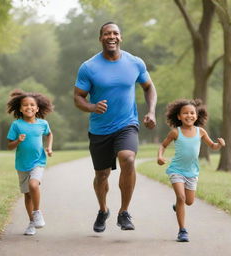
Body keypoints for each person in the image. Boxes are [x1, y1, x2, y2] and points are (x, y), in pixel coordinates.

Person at [74, 21, 157, 232]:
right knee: (102, 175)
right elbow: (78, 97)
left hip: (127, 123)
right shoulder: (89, 67)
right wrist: (92, 107)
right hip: (100, 129)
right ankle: (103, 210)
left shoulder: (135, 62)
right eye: (107, 33)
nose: (112, 36)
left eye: (115, 33)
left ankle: (124, 212)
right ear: (100, 38)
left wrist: (151, 111)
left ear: (121, 37)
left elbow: (149, 88)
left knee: (128, 158)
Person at [157, 99, 225, 242]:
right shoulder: (176, 132)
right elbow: (163, 146)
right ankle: (182, 231)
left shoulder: (200, 131)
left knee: (189, 201)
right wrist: (160, 157)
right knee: (181, 197)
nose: (189, 115)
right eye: (185, 113)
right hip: (176, 170)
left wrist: (219, 144)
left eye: (192, 113)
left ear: (197, 115)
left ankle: (178, 205)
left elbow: (212, 146)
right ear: (179, 116)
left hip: (192, 172)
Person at [7, 89, 53, 236]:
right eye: (25, 105)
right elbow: (9, 146)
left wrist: (49, 147)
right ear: (20, 108)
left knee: (34, 184)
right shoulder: (16, 125)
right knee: (27, 195)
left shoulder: (43, 123)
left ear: (37, 108)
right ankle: (32, 222)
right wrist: (17, 141)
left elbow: (49, 134)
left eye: (32, 105)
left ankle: (37, 212)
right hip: (22, 164)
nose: (29, 107)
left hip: (38, 161)